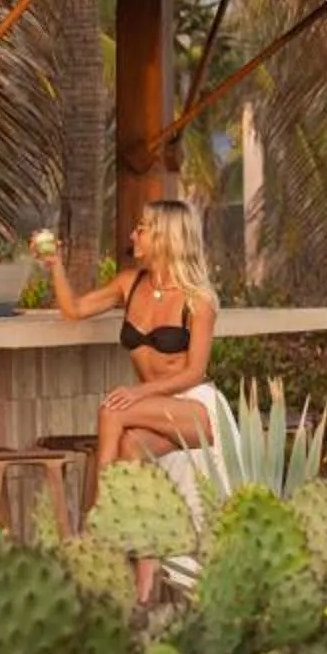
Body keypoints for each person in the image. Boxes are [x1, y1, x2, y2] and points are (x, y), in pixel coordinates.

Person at [41, 196, 219, 533]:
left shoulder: (199, 299)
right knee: (129, 446)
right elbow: (74, 310)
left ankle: (97, 520)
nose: (132, 237)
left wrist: (138, 393)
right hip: (152, 405)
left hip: (195, 407)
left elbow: (194, 371)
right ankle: (141, 543)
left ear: (165, 237)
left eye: (141, 230)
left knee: (113, 408)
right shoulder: (130, 283)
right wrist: (55, 266)